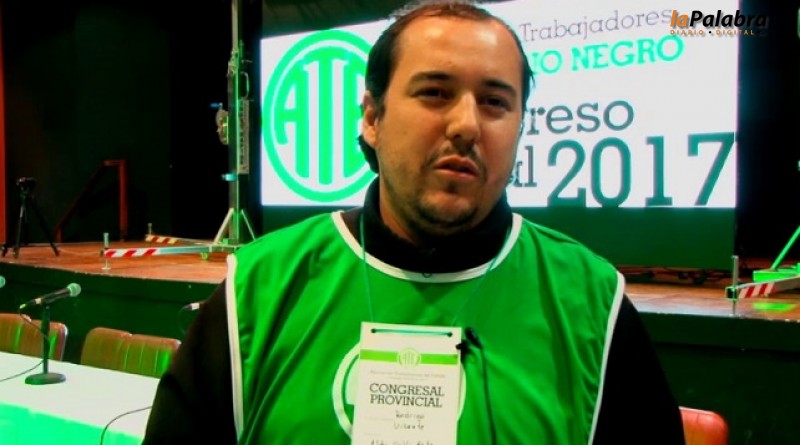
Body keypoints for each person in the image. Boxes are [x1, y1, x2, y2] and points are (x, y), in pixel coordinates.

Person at [142, 1, 685, 443]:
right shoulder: (258, 289)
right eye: (435, 93)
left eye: (495, 101)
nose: (467, 125)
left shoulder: (591, 302)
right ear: (372, 117)